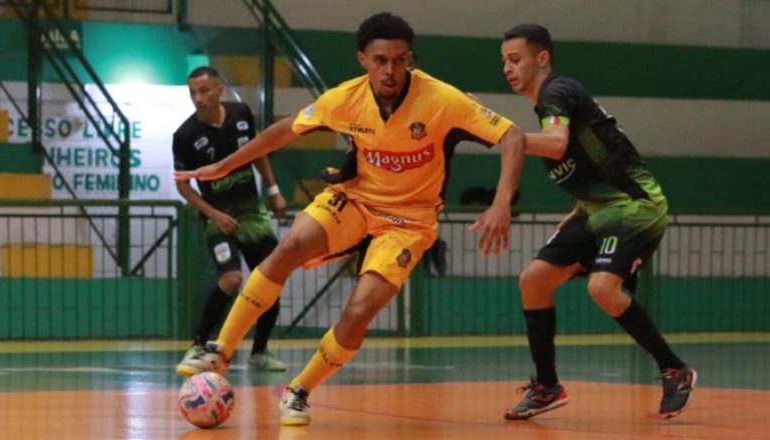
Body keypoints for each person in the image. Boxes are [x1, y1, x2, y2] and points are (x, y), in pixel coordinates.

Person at [175, 13, 526, 426]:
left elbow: (513, 135)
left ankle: (299, 390)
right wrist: (222, 168)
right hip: (355, 200)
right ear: (363, 59)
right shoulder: (344, 98)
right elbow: (284, 131)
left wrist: (501, 202)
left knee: (359, 312)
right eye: (380, 60)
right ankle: (220, 349)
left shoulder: (442, 99)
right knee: (287, 247)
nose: (390, 70)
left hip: (408, 222)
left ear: (409, 59)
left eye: (399, 60)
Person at [496, 24, 696, 420]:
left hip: (635, 205)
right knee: (533, 281)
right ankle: (547, 386)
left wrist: (501, 131)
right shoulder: (555, 104)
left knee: (602, 287)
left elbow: (554, 144)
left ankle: (675, 369)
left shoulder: (556, 91)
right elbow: (590, 161)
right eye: (503, 61)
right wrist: (576, 209)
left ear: (542, 58)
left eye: (514, 59)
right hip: (594, 209)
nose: (507, 68)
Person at [172, 66, 288, 374]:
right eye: (193, 92)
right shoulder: (184, 136)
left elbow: (258, 151)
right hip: (218, 219)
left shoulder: (240, 114)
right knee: (232, 279)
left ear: (219, 90)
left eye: (204, 91)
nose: (198, 98)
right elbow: (182, 184)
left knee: (271, 278)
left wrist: (274, 190)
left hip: (253, 214)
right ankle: (198, 345)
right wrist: (214, 214)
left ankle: (260, 352)